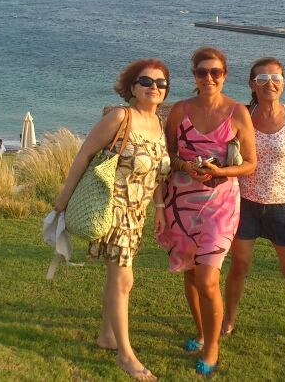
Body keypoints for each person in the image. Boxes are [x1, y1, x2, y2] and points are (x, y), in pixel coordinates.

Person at [54, 59, 171, 382]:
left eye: (161, 83)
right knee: (123, 281)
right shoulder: (121, 117)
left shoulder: (160, 123)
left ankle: (107, 335)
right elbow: (85, 154)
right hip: (113, 207)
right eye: (146, 81)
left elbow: (157, 173)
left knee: (117, 279)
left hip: (137, 213)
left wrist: (160, 208)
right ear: (132, 87)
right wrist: (64, 196)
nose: (154, 87)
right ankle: (125, 355)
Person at [156, 47, 256, 378]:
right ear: (195, 76)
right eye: (202, 72)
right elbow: (168, 154)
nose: (209, 78)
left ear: (225, 75)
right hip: (181, 201)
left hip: (220, 204)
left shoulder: (238, 112)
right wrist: (185, 165)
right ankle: (201, 332)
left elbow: (250, 163)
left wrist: (221, 172)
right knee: (190, 273)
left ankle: (212, 347)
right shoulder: (179, 111)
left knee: (208, 278)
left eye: (215, 72)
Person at [221, 57, 285, 351]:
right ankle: (229, 319)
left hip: (284, 206)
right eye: (263, 78)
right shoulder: (242, 115)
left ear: (283, 83)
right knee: (239, 266)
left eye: (276, 78)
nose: (270, 83)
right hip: (246, 204)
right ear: (252, 85)